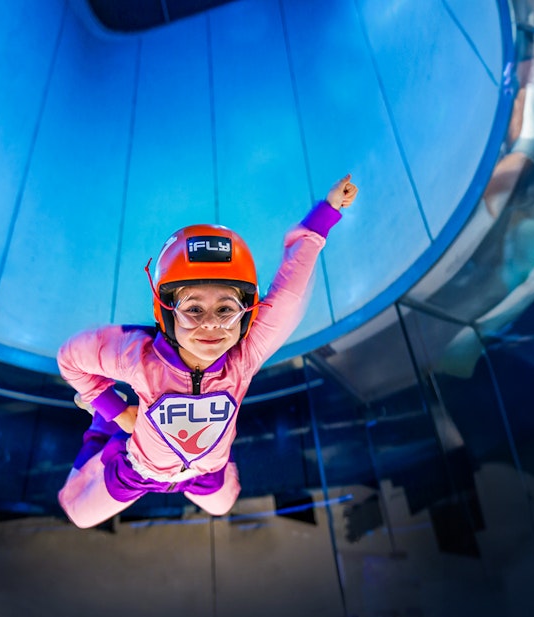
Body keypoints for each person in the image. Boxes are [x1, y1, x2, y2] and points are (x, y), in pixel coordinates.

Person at [57, 174, 359, 528]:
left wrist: (325, 213)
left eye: (226, 310)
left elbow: (290, 294)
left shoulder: (244, 355)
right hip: (140, 468)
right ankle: (102, 429)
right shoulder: (136, 356)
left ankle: (198, 448)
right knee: (77, 511)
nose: (212, 325)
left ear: (247, 313)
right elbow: (71, 360)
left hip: (207, 471)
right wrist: (115, 410)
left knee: (222, 504)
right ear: (166, 310)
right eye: (194, 309)